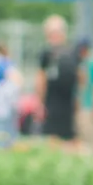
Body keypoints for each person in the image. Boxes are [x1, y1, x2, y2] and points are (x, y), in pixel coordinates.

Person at [35, 15, 79, 143]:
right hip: (52, 102)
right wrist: (40, 103)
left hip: (68, 102)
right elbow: (41, 79)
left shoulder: (72, 52)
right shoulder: (46, 53)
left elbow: (81, 78)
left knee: (69, 137)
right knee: (52, 137)